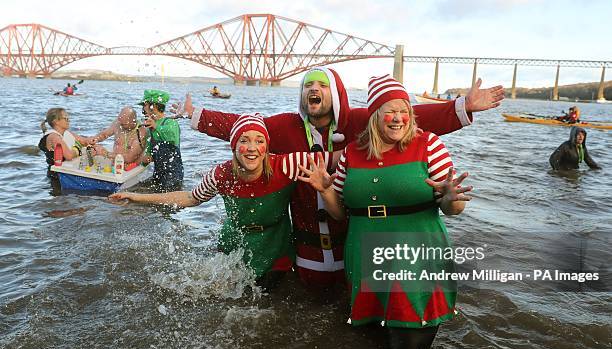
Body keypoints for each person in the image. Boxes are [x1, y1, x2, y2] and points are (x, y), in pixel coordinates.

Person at [174, 66, 503, 288]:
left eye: (321, 86)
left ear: (335, 93)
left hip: (352, 245)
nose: (313, 91)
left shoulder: (361, 121)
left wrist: (462, 106)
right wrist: (197, 117)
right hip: (306, 248)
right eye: (308, 87)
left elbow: (408, 116)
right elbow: (245, 128)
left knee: (355, 301)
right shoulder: (284, 126)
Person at [298, 75, 473, 349]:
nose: (398, 118)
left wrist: (450, 197)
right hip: (366, 260)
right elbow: (341, 212)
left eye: (404, 111)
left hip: (415, 261)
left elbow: (452, 208)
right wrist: (326, 189)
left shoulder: (429, 145)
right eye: (390, 111)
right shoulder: (352, 153)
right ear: (375, 115)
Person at [109, 114, 331, 290]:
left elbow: (336, 158)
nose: (252, 148)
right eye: (244, 140)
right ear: (234, 146)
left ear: (267, 147)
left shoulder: (288, 165)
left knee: (269, 297)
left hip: (275, 245)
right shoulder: (221, 175)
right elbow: (189, 198)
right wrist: (136, 196)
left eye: (259, 141)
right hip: (234, 243)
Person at [139, 89, 184, 191]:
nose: (142, 109)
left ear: (153, 106)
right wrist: (146, 157)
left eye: (144, 105)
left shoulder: (170, 122)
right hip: (158, 172)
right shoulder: (152, 125)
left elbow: (172, 137)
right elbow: (152, 144)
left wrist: (155, 126)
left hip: (172, 173)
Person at [38, 107, 91, 177]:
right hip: (57, 174)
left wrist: (100, 137)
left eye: (68, 119)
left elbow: (84, 141)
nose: (68, 121)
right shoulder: (54, 137)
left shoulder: (67, 133)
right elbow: (69, 156)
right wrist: (77, 149)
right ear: (56, 121)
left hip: (67, 171)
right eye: (66, 119)